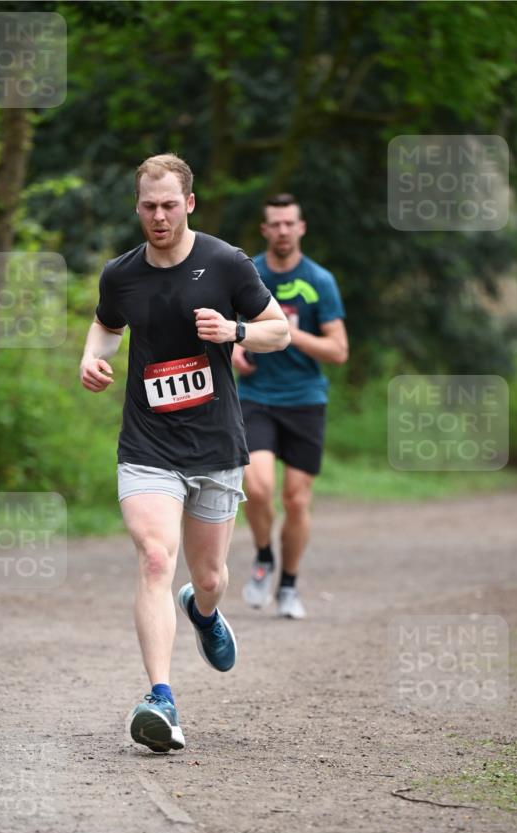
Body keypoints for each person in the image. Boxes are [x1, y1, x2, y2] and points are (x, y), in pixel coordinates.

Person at [79, 154, 289, 753]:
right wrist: (94, 358)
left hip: (215, 443)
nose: (160, 216)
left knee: (211, 577)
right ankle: (161, 699)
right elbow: (106, 325)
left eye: (170, 204)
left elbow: (278, 329)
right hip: (147, 444)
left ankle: (203, 612)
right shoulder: (120, 274)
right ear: (138, 207)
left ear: (189, 203)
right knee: (152, 557)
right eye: (149, 206)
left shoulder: (225, 263)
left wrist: (235, 331)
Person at [233, 193, 348, 620]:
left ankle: (289, 586)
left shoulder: (319, 281)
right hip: (256, 396)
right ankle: (264, 556)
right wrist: (234, 352)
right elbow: (226, 331)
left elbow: (338, 351)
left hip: (304, 400)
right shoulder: (248, 274)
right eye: (274, 224)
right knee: (258, 488)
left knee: (296, 500)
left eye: (289, 224)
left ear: (301, 228)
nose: (282, 230)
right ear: (265, 231)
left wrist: (285, 331)